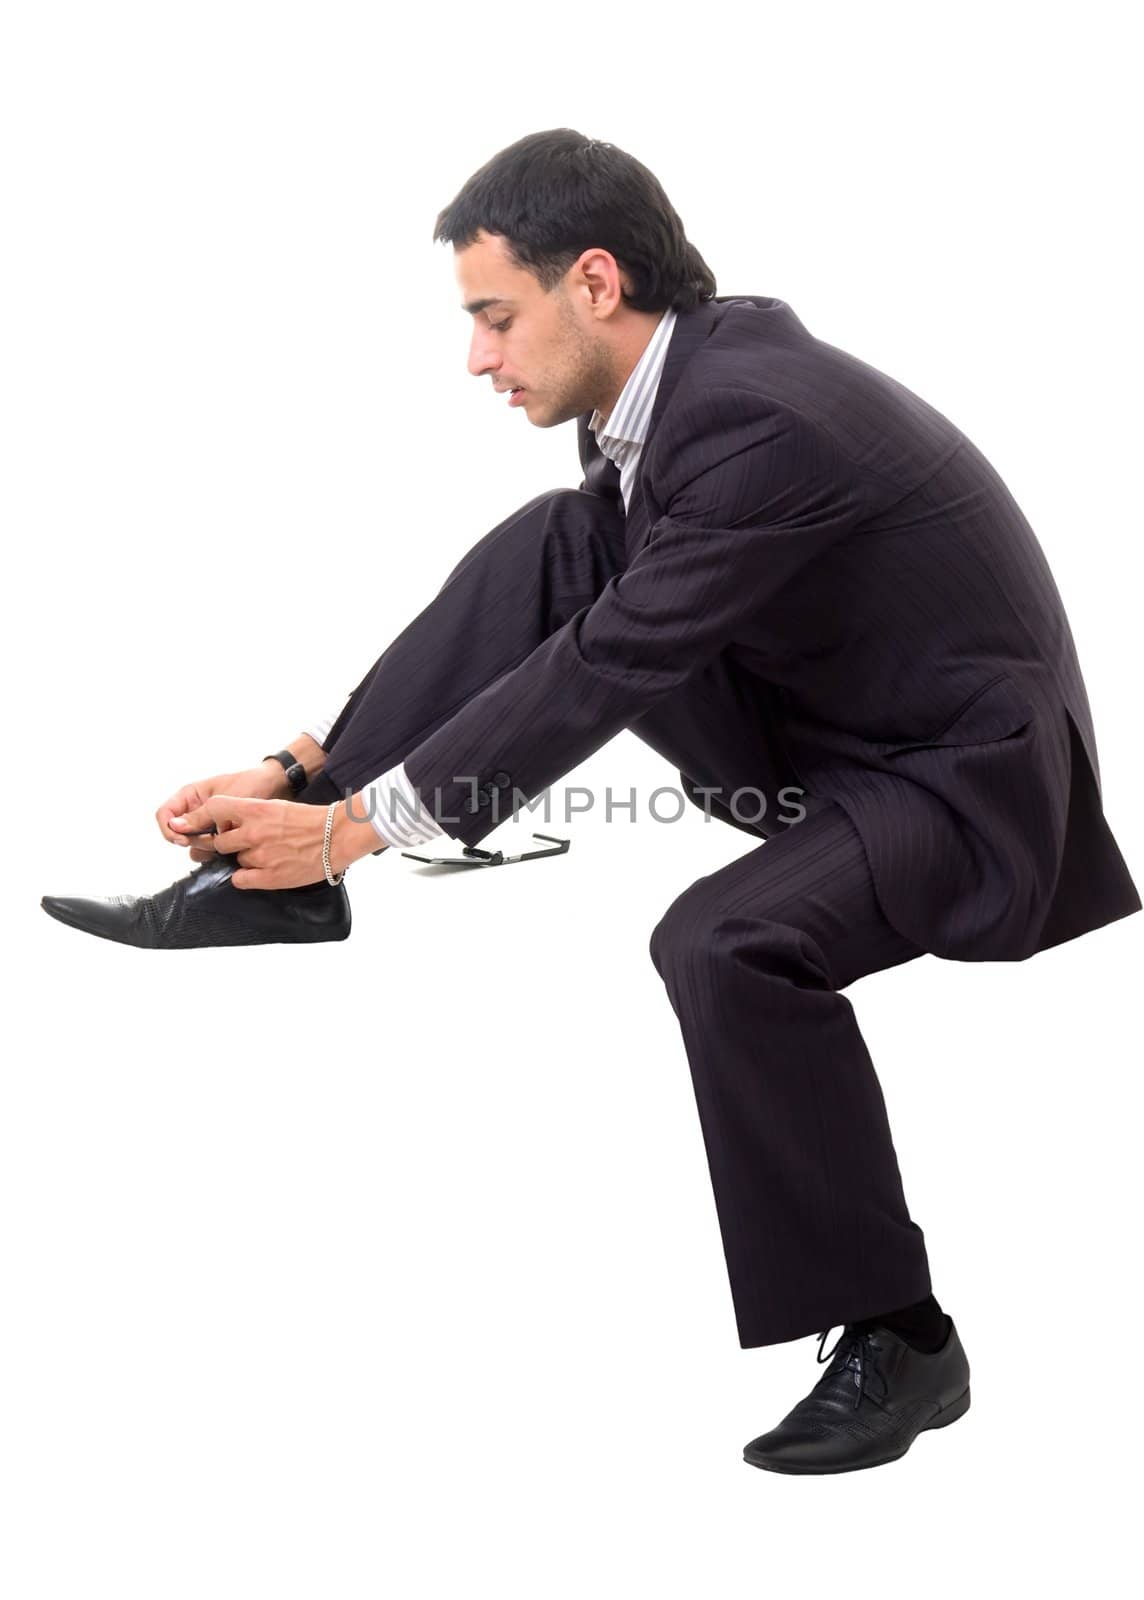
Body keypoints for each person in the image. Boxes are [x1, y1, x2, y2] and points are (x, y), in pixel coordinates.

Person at [41, 128, 1141, 1475]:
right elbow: (595, 612)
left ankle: (903, 1340)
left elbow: (615, 661)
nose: (478, 359)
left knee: (721, 941)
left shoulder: (753, 418)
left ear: (600, 284)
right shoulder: (671, 395)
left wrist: (372, 821)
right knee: (570, 546)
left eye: (496, 318)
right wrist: (307, 775)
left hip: (958, 779)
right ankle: (294, 861)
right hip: (824, 723)